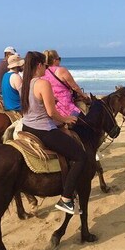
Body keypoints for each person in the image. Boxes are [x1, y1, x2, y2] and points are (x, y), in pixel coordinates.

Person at [20, 51, 87, 215]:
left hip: (27, 127)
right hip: (43, 130)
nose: (46, 68)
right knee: (81, 157)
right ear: (39, 65)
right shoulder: (42, 83)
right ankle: (65, 199)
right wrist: (65, 119)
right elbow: (51, 113)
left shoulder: (25, 83)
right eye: (44, 65)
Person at [42, 50, 88, 117]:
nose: (60, 61)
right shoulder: (61, 70)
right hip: (65, 106)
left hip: (50, 107)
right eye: (59, 59)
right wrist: (83, 95)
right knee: (84, 121)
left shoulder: (43, 72)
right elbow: (74, 87)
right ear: (55, 60)